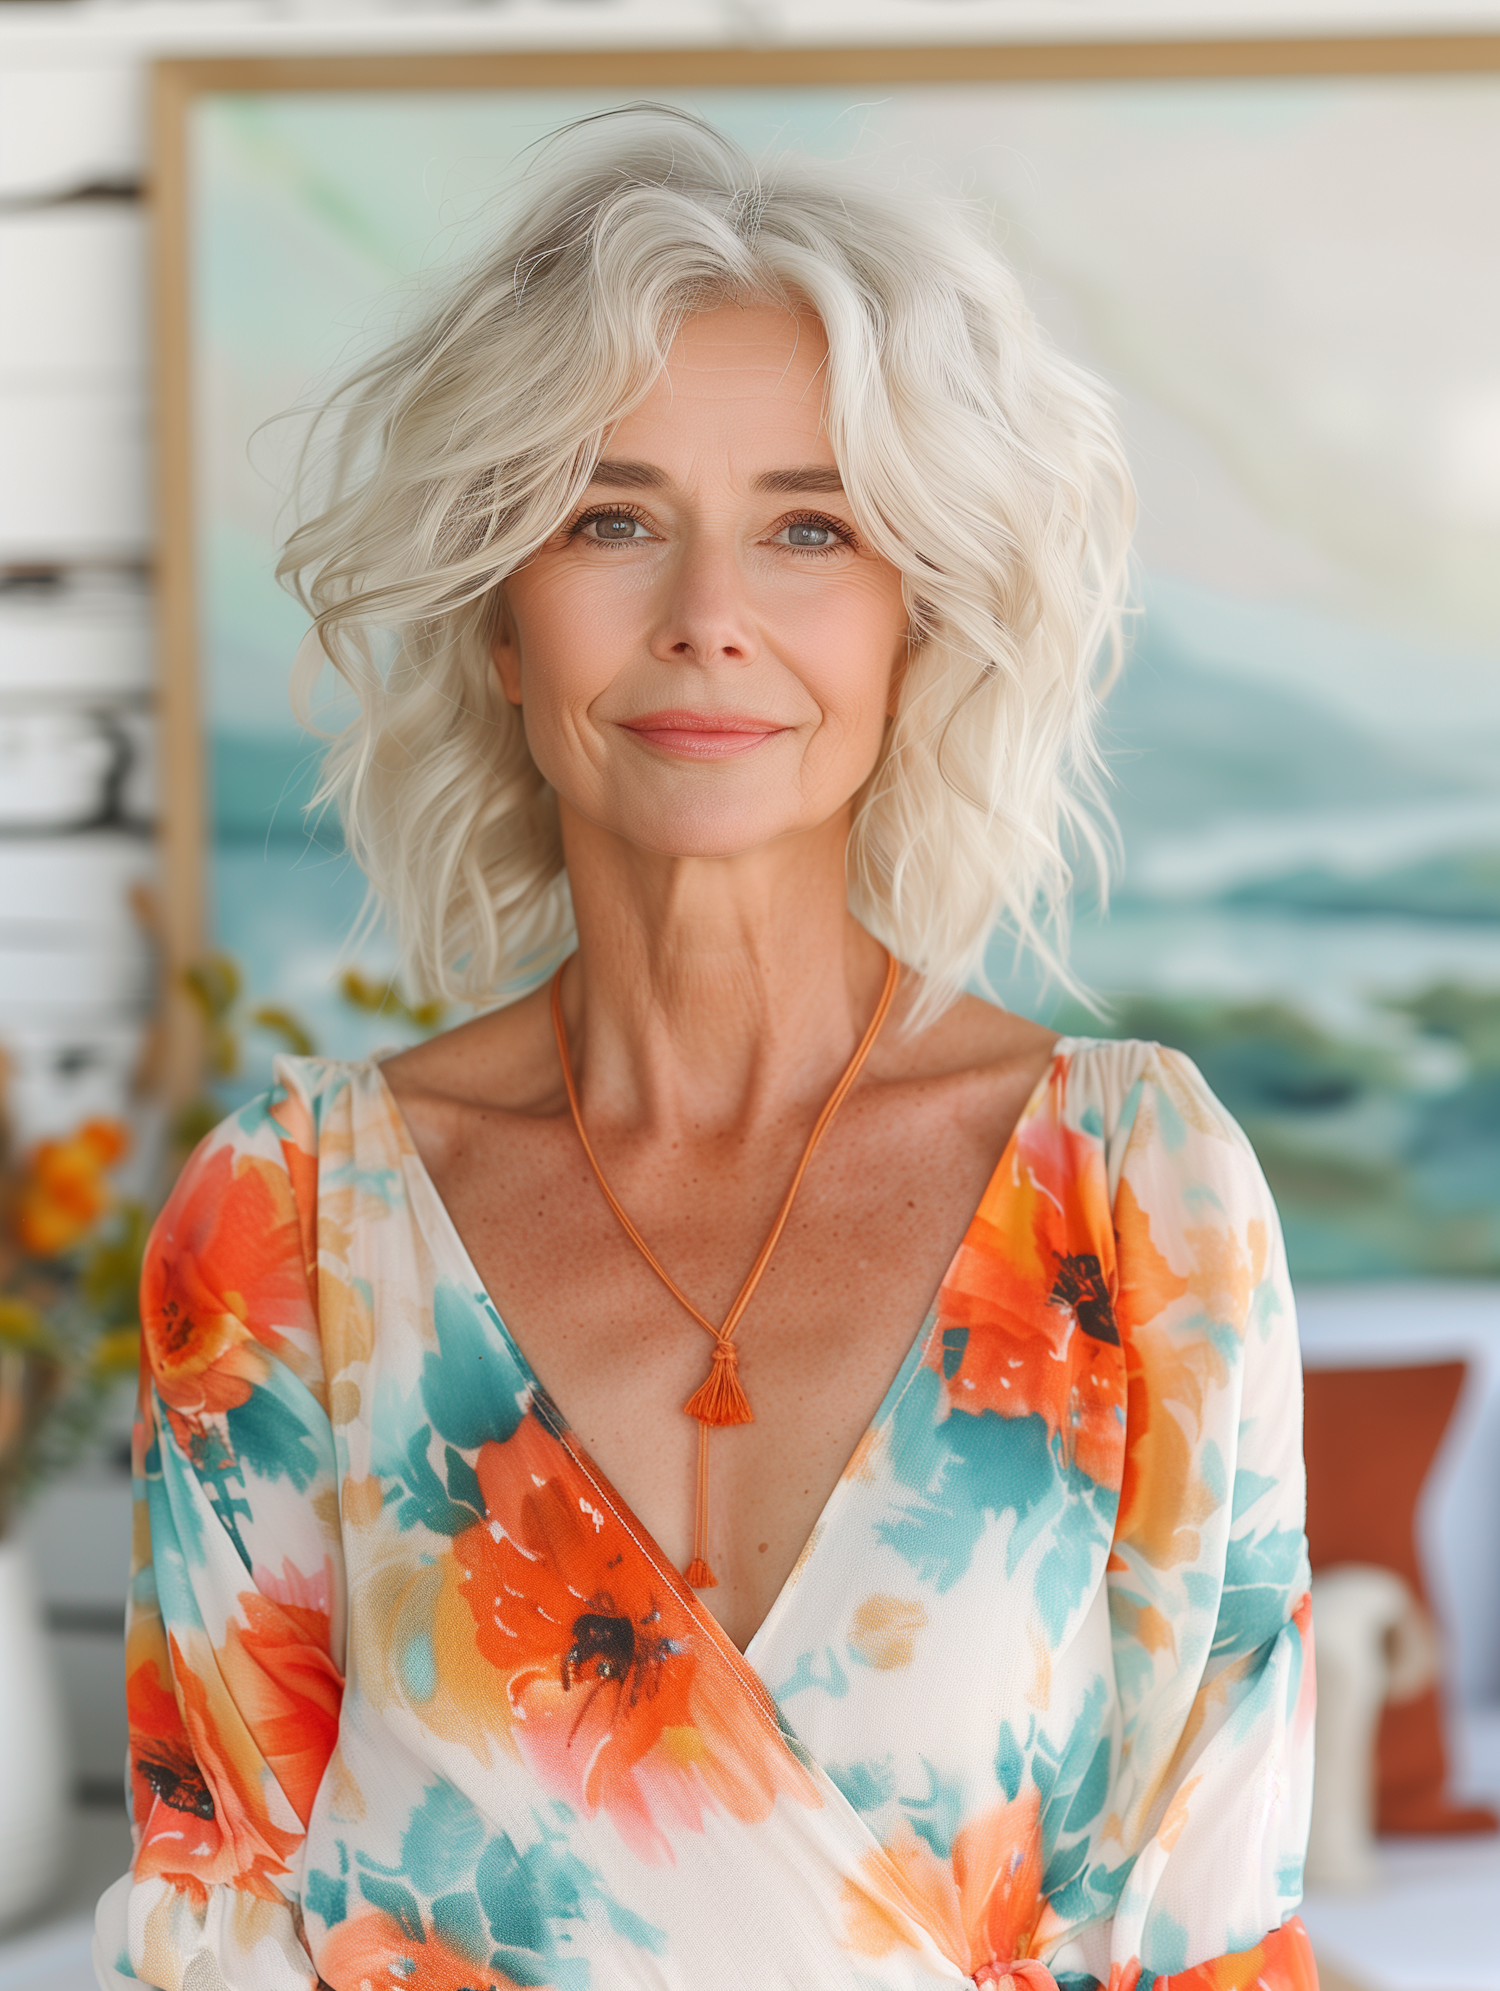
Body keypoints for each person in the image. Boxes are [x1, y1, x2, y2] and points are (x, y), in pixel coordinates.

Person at [95, 107, 1315, 1991]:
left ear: (919, 622)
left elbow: (1212, 1940)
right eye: (613, 518)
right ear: (503, 617)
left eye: (810, 528)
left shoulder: (1141, 1198)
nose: (709, 621)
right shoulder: (286, 1224)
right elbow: (217, 1925)